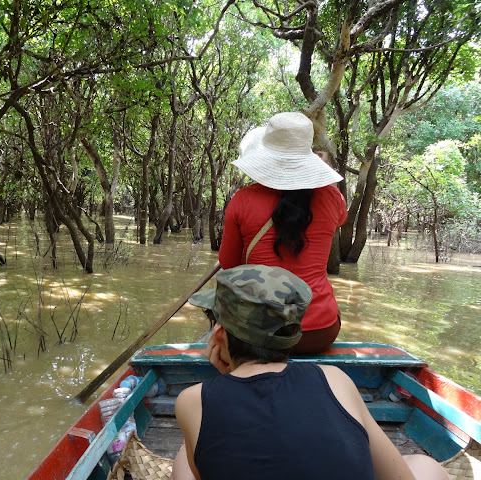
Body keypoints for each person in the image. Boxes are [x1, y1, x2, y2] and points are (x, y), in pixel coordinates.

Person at [172, 264, 449, 480]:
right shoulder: (335, 379)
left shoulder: (192, 400)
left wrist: (227, 379)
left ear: (218, 333)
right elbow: (398, 475)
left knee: (185, 454)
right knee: (425, 466)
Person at [218, 111, 347, 353]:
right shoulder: (332, 197)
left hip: (260, 333)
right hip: (321, 331)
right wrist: (321, 172)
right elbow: (340, 219)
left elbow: (229, 265)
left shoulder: (242, 199)